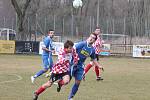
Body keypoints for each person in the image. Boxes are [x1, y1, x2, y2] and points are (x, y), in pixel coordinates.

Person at [68, 33, 104, 100]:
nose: (91, 38)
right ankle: (59, 82)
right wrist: (71, 58)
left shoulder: (92, 50)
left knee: (78, 82)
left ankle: (70, 97)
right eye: (90, 37)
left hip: (80, 66)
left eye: (93, 38)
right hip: (73, 64)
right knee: (66, 81)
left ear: (94, 41)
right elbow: (73, 49)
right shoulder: (82, 44)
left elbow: (93, 59)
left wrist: (99, 66)